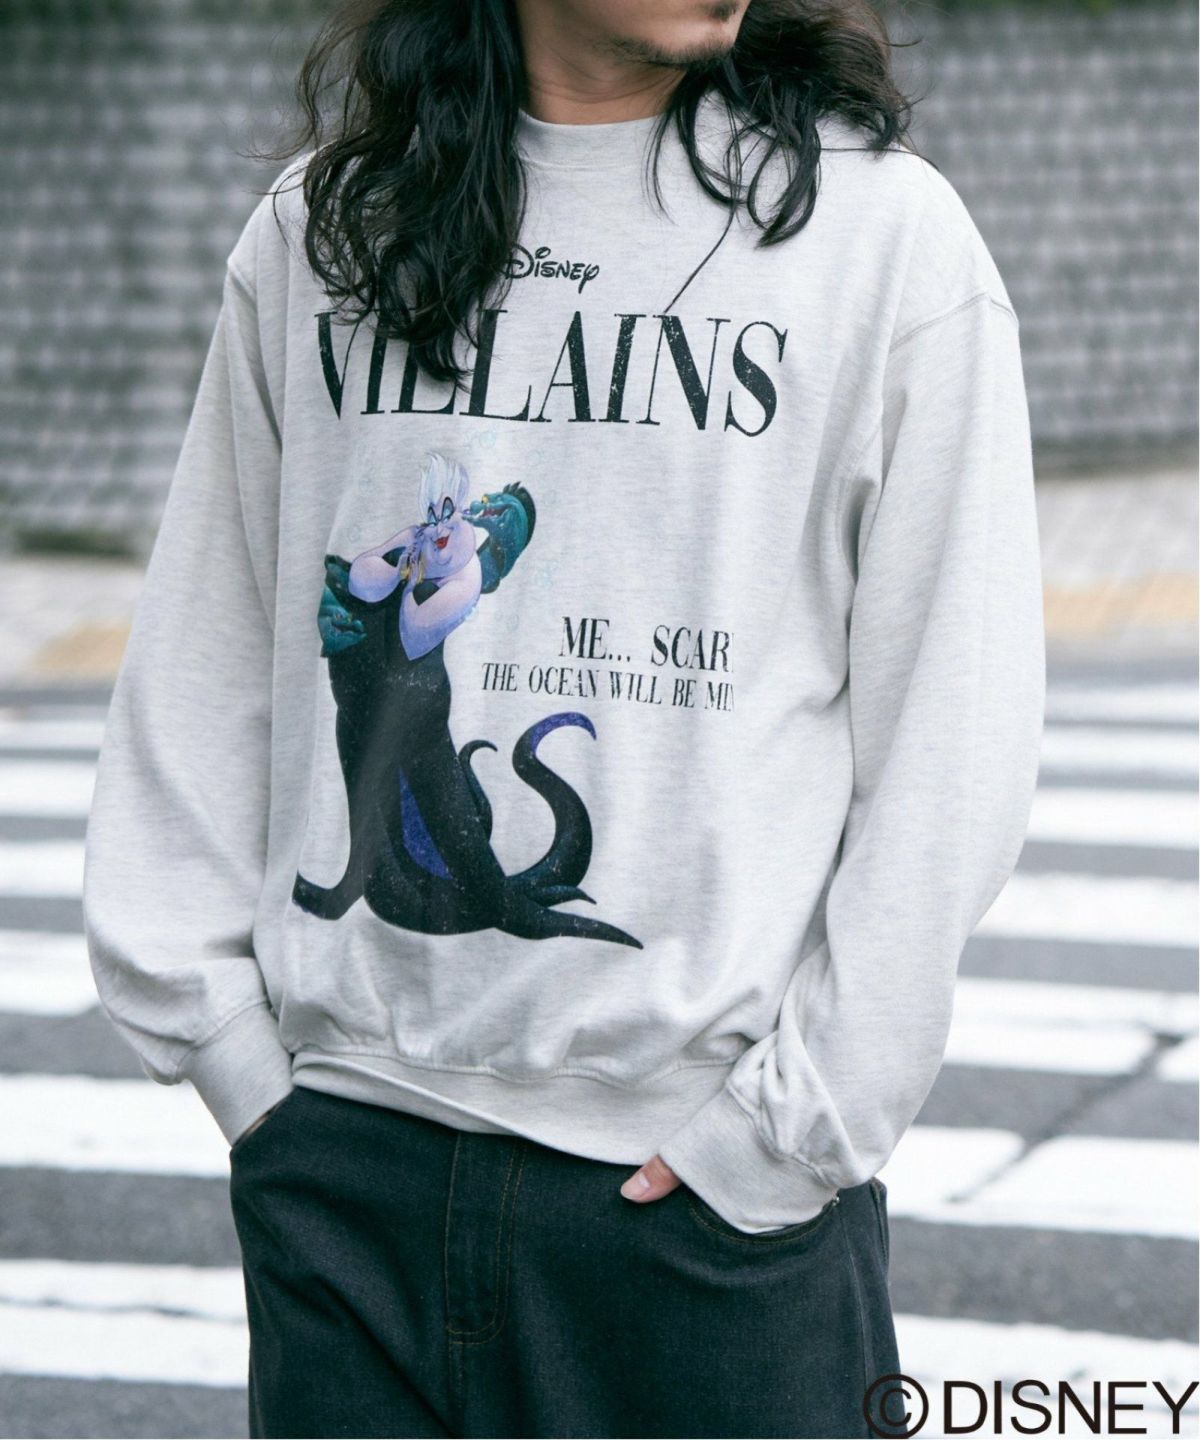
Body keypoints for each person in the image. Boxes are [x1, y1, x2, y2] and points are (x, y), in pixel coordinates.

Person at [81, 0, 1046, 1435]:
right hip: (348, 1187)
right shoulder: (323, 233)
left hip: (701, 1217)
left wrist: (787, 1144)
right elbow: (209, 652)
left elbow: (955, 737)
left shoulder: (880, 239)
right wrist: (243, 1071)